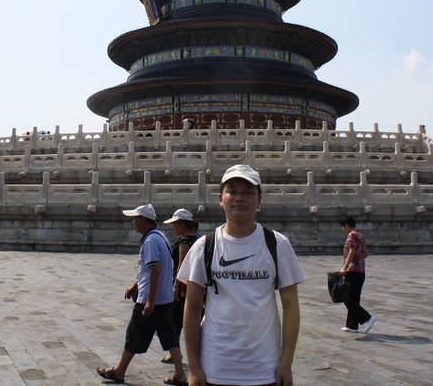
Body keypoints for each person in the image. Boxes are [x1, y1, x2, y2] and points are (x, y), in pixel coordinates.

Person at [177, 164, 305, 386]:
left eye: (247, 192)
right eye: (232, 191)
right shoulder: (203, 247)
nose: (239, 198)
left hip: (264, 369)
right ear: (220, 198)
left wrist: (286, 364)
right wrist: (194, 367)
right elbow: (192, 307)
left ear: (259, 200)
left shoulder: (277, 244)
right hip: (214, 367)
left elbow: (291, 307)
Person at [97, 203, 187, 386]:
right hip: (165, 299)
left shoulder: (150, 241)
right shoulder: (159, 236)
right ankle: (180, 374)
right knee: (169, 336)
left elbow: (154, 271)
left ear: (144, 221)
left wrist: (149, 302)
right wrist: (134, 285)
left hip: (150, 300)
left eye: (135, 219)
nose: (133, 223)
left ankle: (119, 371)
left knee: (134, 334)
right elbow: (152, 270)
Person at [161, 208, 201, 365]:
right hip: (197, 285)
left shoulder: (184, 242)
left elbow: (181, 267)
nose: (173, 228)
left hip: (183, 287)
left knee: (174, 322)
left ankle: (174, 353)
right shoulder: (199, 239)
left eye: (175, 224)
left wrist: (176, 288)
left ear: (182, 224)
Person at [338, 216, 377, 334]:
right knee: (354, 299)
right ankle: (352, 326)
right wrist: (359, 261)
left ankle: (367, 318)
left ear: (347, 226)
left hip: (353, 272)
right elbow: (366, 253)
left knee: (348, 299)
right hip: (361, 271)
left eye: (342, 227)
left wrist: (345, 266)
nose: (342, 230)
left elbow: (352, 250)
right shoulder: (360, 235)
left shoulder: (351, 235)